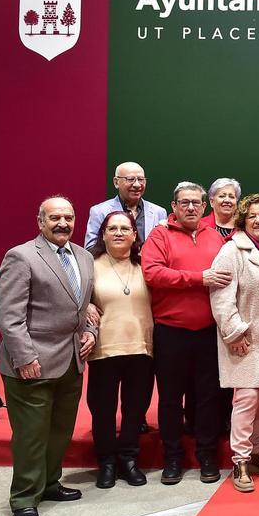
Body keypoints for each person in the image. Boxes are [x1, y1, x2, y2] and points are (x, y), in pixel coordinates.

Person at [0, 196, 98, 516]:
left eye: (69, 217)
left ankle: (50, 482)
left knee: (59, 431)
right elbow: (10, 317)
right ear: (40, 222)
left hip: (71, 360)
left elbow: (86, 307)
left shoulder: (83, 257)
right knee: (31, 435)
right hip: (32, 363)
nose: (63, 223)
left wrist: (91, 333)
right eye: (55, 217)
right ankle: (24, 496)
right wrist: (24, 356)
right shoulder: (21, 256)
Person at [141, 182, 230, 485]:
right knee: (169, 399)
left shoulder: (215, 238)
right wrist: (198, 278)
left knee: (208, 397)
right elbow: (152, 273)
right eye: (184, 202)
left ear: (205, 206)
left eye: (196, 202)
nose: (191, 207)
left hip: (208, 332)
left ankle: (207, 456)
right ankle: (173, 458)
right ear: (174, 206)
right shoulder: (159, 235)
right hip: (171, 331)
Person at [209, 193, 259, 493]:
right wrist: (234, 333)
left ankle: (257, 451)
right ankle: (240, 460)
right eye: (253, 216)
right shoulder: (232, 251)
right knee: (247, 401)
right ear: (243, 221)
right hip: (247, 339)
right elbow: (220, 297)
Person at [85, 210, 153, 490]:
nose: (118, 233)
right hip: (104, 348)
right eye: (112, 228)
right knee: (103, 410)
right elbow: (72, 296)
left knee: (135, 409)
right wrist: (84, 305)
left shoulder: (146, 265)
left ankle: (128, 459)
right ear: (103, 234)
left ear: (135, 234)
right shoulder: (90, 265)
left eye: (125, 228)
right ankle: (107, 462)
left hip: (142, 347)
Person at [84, 161, 167, 249]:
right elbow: (90, 249)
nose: (137, 185)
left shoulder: (159, 212)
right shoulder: (100, 211)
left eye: (141, 179)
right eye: (131, 179)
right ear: (116, 182)